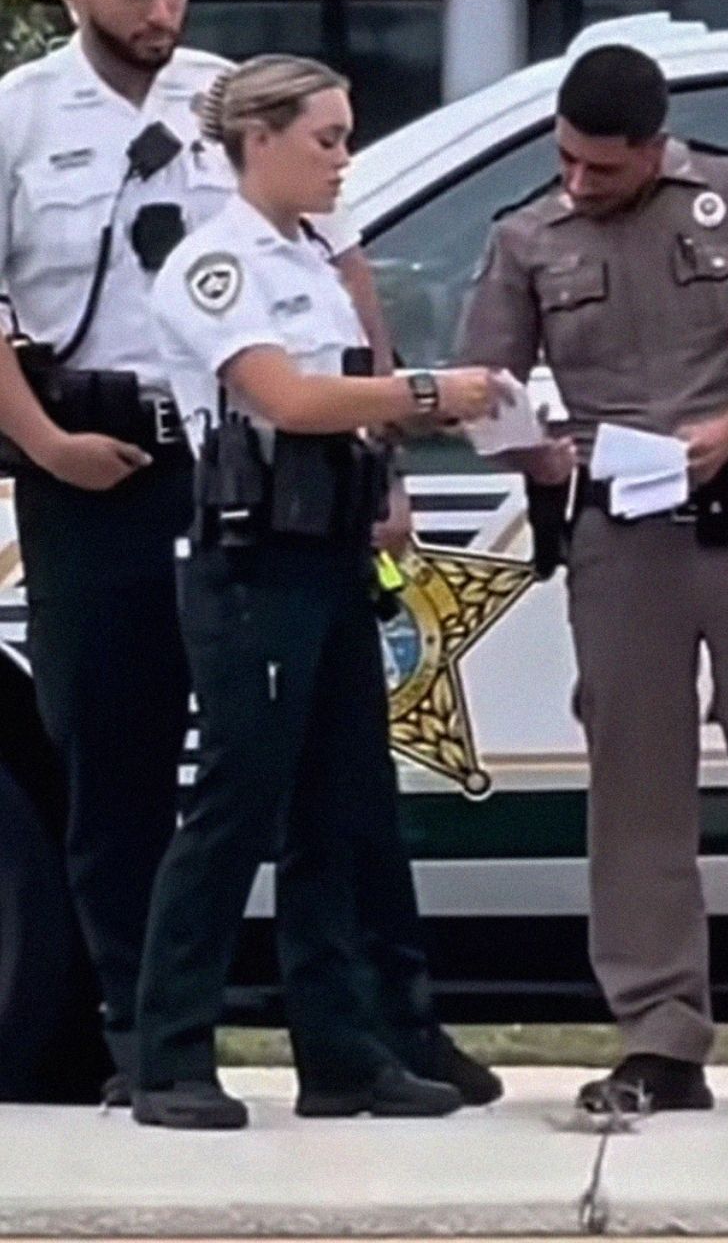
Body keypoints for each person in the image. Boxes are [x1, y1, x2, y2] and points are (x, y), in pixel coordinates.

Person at [0, 0, 497, 1107]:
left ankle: (373, 1029)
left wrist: (384, 453)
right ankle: (143, 1039)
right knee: (113, 752)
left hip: (258, 458)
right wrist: (46, 447)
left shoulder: (235, 102)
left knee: (326, 761)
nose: (161, 11)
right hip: (92, 448)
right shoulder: (19, 116)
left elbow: (340, 278)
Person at [458, 43, 728, 1115]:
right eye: (566, 159)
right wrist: (528, 446)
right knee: (636, 792)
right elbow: (484, 385)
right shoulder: (527, 235)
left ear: (655, 147)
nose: (578, 182)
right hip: (621, 537)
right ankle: (659, 1034)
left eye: (602, 166)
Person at [134, 55, 502, 1128]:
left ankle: (341, 1052)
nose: (343, 159)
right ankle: (169, 1054)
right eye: (325, 139)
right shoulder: (219, 263)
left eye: (346, 137)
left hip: (333, 549)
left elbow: (347, 388)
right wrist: (430, 391)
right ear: (259, 140)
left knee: (342, 810)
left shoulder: (307, 257)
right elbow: (287, 397)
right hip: (256, 561)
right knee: (235, 807)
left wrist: (395, 430)